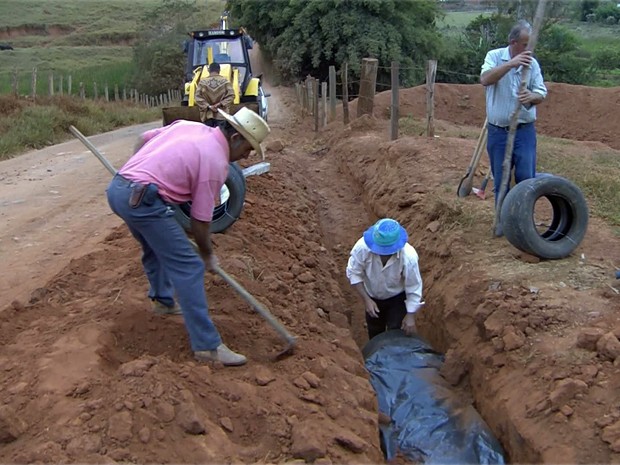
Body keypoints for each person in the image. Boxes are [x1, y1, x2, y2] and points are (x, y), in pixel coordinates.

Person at [106, 107, 271, 366]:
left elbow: (143, 138)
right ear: (236, 138)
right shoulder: (215, 162)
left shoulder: (190, 126)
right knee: (189, 266)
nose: (246, 156)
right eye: (248, 149)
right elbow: (200, 220)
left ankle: (163, 301)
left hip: (119, 189)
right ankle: (208, 347)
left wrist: (140, 172)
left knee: (154, 248)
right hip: (143, 200)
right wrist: (207, 256)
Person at [480, 20, 547, 207]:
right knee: (501, 180)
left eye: (531, 45)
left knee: (526, 178)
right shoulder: (494, 56)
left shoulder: (532, 64)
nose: (529, 49)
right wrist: (510, 64)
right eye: (525, 45)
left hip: (524, 131)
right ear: (512, 42)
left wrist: (531, 96)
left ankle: (522, 218)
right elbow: (485, 79)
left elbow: (541, 93)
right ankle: (501, 219)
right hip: (498, 132)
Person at [346, 218, 424, 340]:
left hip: (397, 299)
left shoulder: (409, 257)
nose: (382, 253)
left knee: (395, 330)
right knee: (374, 330)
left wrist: (410, 316)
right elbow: (354, 273)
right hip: (372, 295)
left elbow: (413, 286)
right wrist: (366, 300)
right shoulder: (362, 248)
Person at [195, 62, 235, 129]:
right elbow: (231, 95)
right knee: (220, 136)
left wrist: (209, 106)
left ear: (209, 70)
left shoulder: (202, 83)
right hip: (222, 115)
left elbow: (197, 97)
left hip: (207, 115)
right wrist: (220, 104)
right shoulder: (225, 82)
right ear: (219, 70)